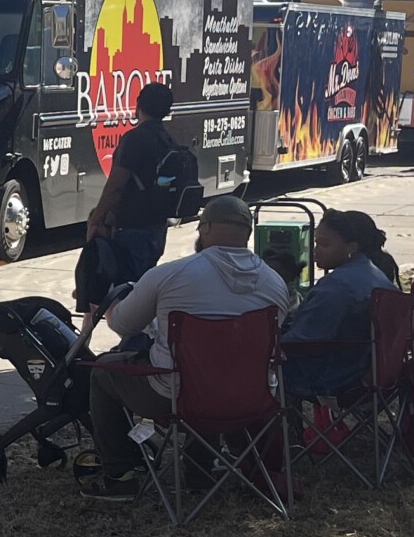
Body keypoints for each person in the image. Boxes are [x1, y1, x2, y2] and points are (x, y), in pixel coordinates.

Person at [82, 193, 292, 499]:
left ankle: (120, 475)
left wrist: (109, 306)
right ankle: (199, 472)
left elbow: (122, 325)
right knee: (210, 372)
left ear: (204, 228)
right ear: (248, 232)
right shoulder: (275, 284)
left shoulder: (172, 274)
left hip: (177, 396)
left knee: (103, 375)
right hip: (251, 398)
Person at [281, 209, 400, 401]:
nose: (315, 250)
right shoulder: (375, 275)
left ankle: (280, 430)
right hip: (370, 371)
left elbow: (303, 339)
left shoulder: (337, 286)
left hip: (330, 376)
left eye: (324, 244)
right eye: (315, 243)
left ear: (351, 247)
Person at [84, 80, 183, 293]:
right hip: (156, 228)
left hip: (132, 229)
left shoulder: (135, 139)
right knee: (143, 289)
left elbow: (116, 186)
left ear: (139, 106)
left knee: (127, 293)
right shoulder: (168, 140)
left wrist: (96, 218)